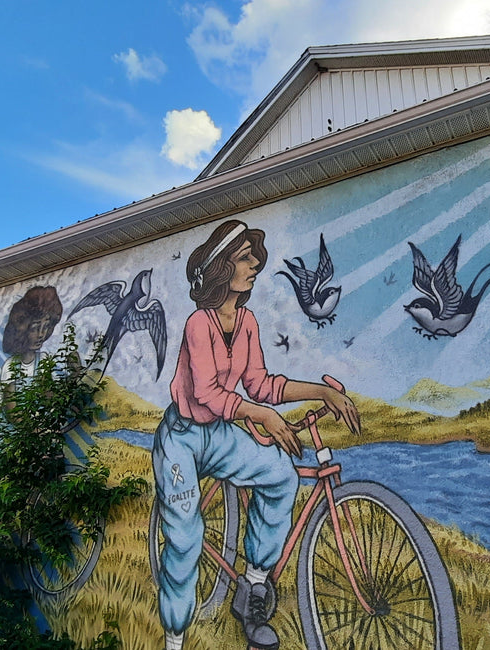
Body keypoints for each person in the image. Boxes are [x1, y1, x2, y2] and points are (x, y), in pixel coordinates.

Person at [155, 220, 360, 650]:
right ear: (219, 267)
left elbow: (262, 384)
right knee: (185, 538)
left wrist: (320, 390)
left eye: (254, 257)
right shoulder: (199, 323)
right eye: (244, 257)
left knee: (281, 475)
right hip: (181, 438)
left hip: (220, 433)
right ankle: (174, 638)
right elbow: (209, 392)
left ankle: (252, 591)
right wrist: (264, 417)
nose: (254, 265)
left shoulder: (246, 321)